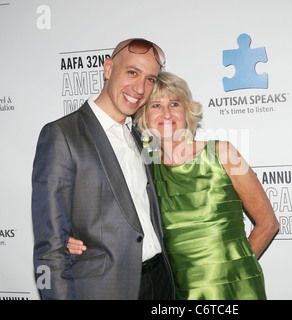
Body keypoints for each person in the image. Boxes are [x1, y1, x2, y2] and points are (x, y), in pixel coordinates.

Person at [69, 72, 279, 299]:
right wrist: (72, 238)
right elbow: (112, 216)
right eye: (156, 105)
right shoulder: (144, 168)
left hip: (236, 288)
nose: (167, 113)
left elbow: (268, 224)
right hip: (177, 292)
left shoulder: (223, 153)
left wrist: (238, 268)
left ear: (187, 111)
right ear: (144, 117)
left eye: (174, 104)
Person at [32, 38, 175, 300]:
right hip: (105, 290)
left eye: (150, 79)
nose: (140, 88)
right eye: (132, 72)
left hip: (161, 283)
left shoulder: (141, 137)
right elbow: (50, 249)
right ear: (108, 68)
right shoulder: (62, 135)